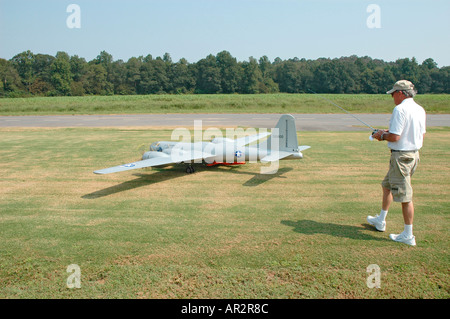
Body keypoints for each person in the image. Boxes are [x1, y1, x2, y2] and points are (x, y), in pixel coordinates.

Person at [367, 80, 426, 246]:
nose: (392, 96)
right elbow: (418, 134)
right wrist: (386, 132)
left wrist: (381, 136)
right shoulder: (419, 109)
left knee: (405, 196)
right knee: (387, 186)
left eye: (394, 93)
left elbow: (395, 137)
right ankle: (381, 220)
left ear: (401, 93)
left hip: (401, 158)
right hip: (413, 155)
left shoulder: (400, 109)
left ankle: (408, 235)